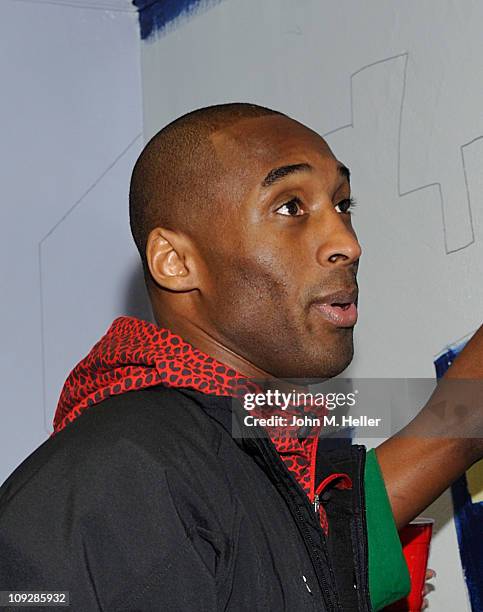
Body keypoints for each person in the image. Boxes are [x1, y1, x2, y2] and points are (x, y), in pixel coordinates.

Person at [0, 103, 481, 611]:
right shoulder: (118, 474)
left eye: (342, 204)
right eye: (290, 207)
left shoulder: (261, 458)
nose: (347, 242)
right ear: (177, 262)